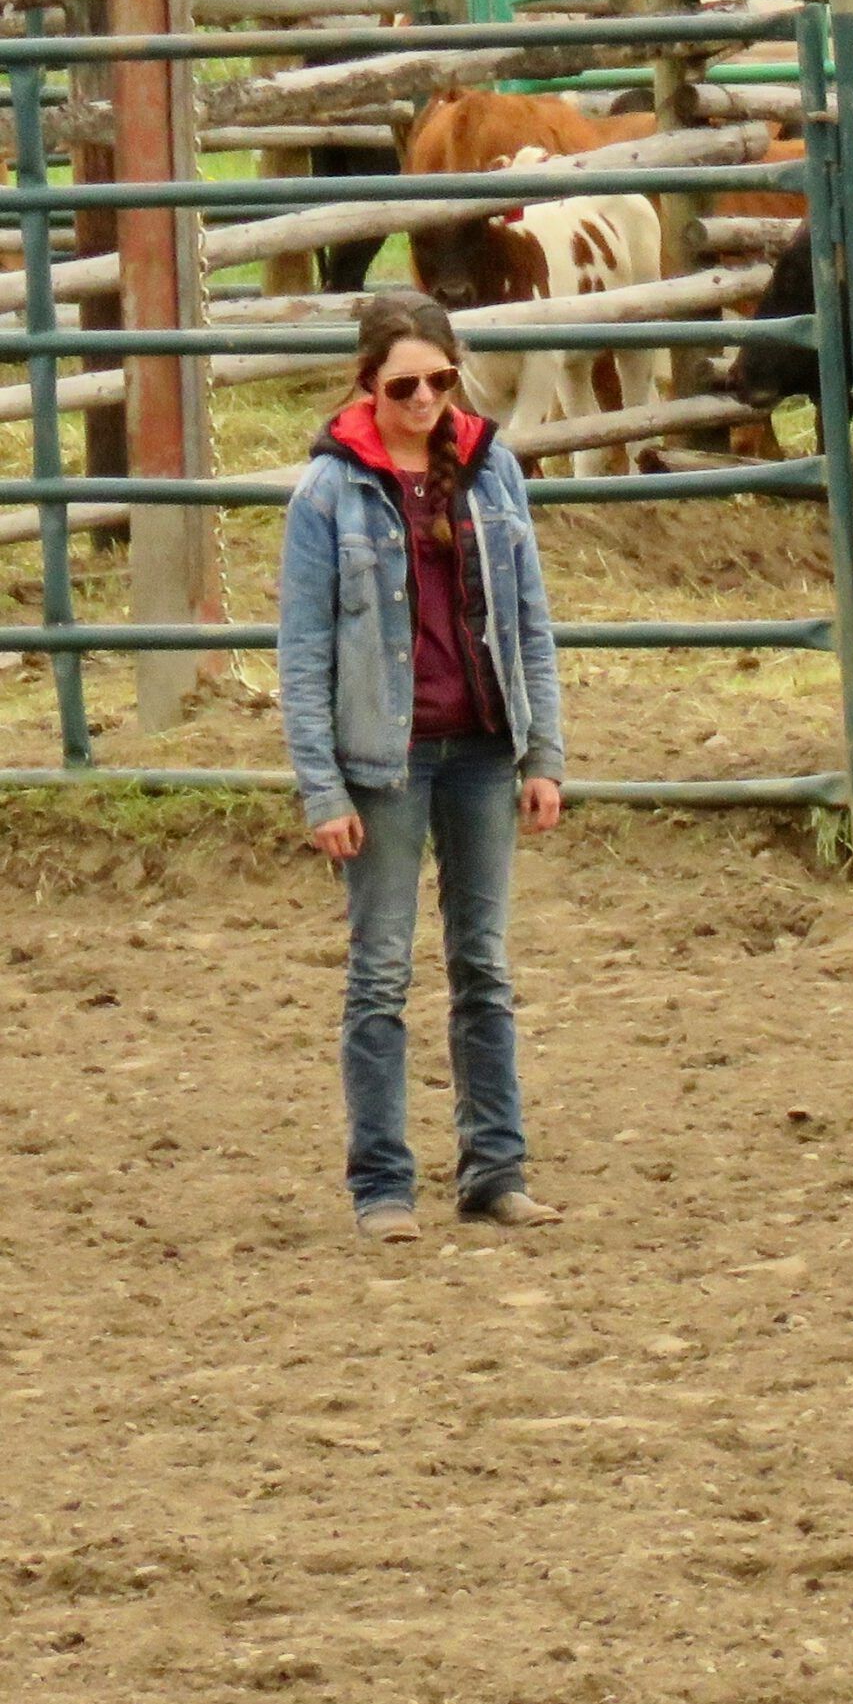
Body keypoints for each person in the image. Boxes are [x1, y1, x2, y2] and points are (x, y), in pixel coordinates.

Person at [278, 292, 566, 1243]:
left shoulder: (495, 474)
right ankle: (382, 1185)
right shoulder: (327, 495)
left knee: (483, 965)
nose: (425, 399)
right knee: (381, 974)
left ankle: (496, 1167)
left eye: (440, 380)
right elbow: (303, 652)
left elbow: (529, 621)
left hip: (484, 748)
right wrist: (322, 787)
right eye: (405, 384)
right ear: (370, 385)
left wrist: (543, 753)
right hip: (383, 763)